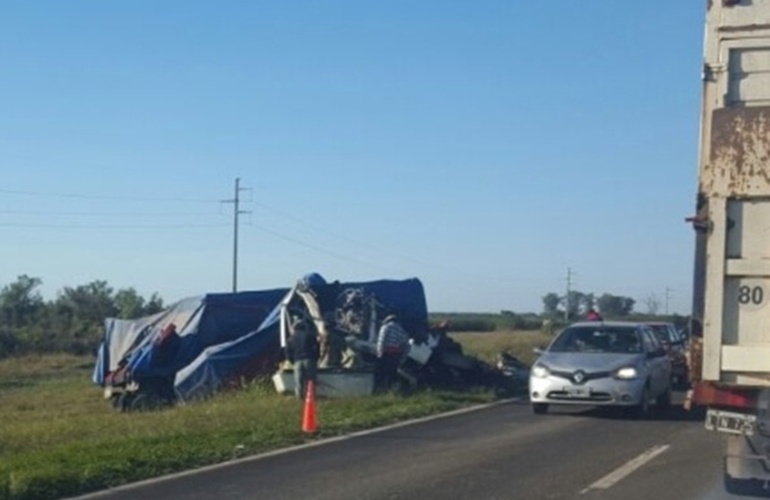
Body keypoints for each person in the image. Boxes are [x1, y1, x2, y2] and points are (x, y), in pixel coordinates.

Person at [285, 318, 320, 400]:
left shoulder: (291, 339)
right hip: (309, 360)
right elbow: (316, 347)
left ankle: (299, 399)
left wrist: (292, 361)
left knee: (298, 382)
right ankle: (311, 398)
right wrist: (316, 358)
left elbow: (287, 352)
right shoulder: (310, 335)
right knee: (311, 381)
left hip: (297, 362)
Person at [375, 314, 410, 393]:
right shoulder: (402, 331)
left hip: (386, 353)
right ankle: (391, 391)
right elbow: (407, 346)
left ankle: (380, 390)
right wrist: (402, 359)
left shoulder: (386, 327)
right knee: (392, 373)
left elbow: (381, 340)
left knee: (381, 373)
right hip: (396, 356)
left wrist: (379, 353)